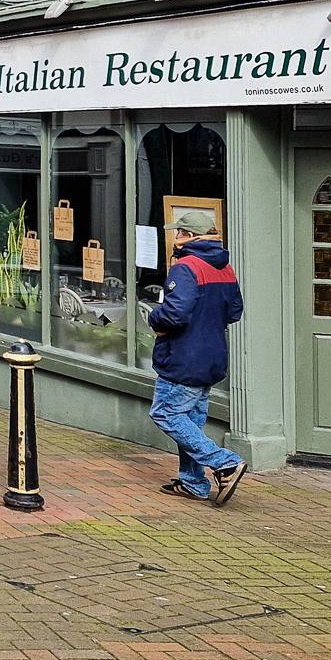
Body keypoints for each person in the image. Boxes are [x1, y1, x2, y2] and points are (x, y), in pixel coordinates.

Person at [147, 209, 248, 505]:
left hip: (183, 356)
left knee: (165, 413)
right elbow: (234, 311)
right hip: (212, 356)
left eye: (178, 233)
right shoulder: (225, 268)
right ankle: (193, 483)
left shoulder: (186, 267)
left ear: (188, 237)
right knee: (190, 418)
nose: (175, 239)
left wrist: (155, 319)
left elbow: (174, 314)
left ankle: (224, 462)